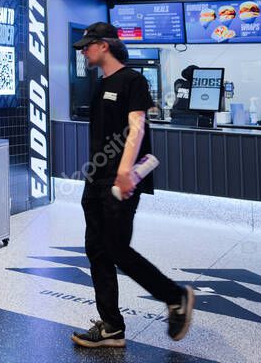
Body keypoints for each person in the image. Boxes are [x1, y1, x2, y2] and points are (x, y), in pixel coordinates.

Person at [71, 22, 194, 349]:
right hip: (96, 180)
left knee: (116, 249)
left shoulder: (133, 81)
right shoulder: (100, 84)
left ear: (104, 46)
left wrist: (125, 171)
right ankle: (111, 326)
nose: (83, 51)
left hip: (120, 181)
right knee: (97, 250)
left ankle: (176, 296)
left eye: (87, 46)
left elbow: (136, 128)